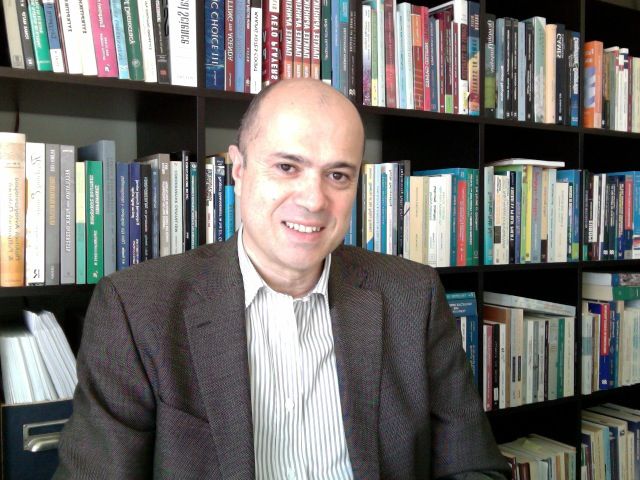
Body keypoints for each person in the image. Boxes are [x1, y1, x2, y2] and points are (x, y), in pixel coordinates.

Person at [55, 79, 510, 479]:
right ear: (238, 169)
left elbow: (472, 466)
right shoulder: (137, 308)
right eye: (287, 167)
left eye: (337, 175)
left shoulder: (413, 296)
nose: (314, 200)